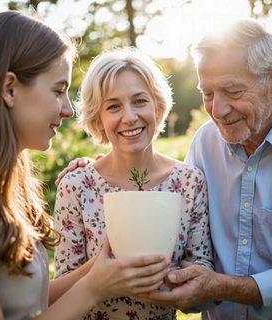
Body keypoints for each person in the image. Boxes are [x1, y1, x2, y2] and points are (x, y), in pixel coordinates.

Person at [57, 18, 272, 319]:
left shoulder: (188, 178)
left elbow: (199, 262)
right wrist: (90, 173)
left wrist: (218, 287)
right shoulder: (207, 143)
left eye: (232, 91)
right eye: (207, 93)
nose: (217, 111)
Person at [0, 11, 172, 320]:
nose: (68, 110)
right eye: (58, 91)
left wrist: (101, 266)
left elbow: (32, 301)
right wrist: (93, 288)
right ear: (9, 89)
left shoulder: (4, 191)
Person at [53, 47, 214, 320]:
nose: (129, 117)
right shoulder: (76, 186)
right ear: (98, 119)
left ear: (158, 107)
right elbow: (59, 291)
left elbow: (201, 273)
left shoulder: (190, 182)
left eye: (140, 101)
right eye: (113, 106)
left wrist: (178, 284)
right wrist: (102, 269)